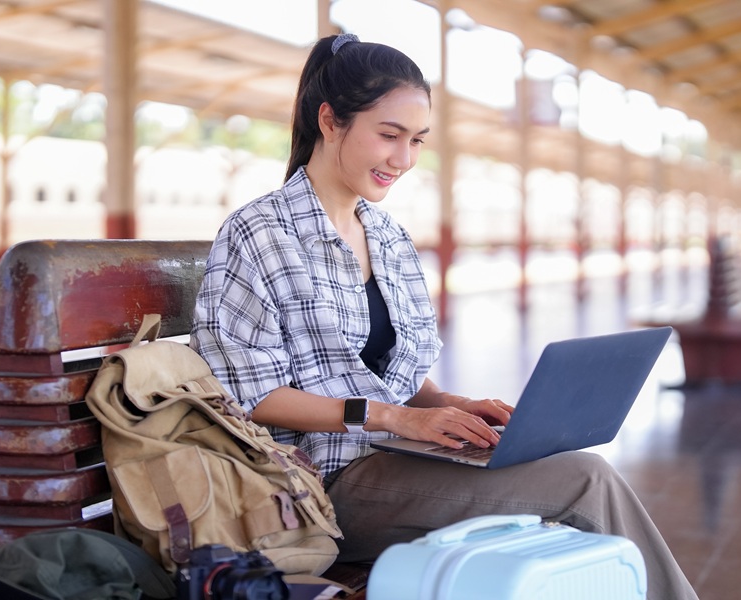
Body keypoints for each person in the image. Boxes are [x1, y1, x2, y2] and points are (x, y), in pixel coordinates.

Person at [191, 33, 699, 599]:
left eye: (416, 141)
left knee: (564, 479)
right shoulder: (260, 233)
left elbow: (383, 369)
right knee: (584, 481)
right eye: (389, 136)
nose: (403, 160)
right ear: (329, 120)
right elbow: (248, 395)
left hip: (395, 460)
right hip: (317, 485)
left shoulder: (386, 236)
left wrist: (446, 406)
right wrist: (395, 419)